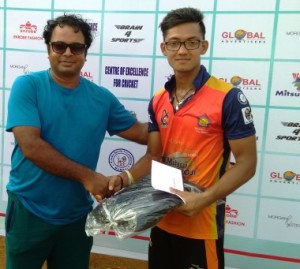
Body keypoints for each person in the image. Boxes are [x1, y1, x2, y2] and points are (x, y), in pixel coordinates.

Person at [108, 7, 257, 269]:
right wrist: (125, 178)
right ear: (164, 48)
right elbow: (154, 156)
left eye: (191, 42)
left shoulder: (228, 97)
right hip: (161, 218)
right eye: (175, 43)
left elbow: (247, 164)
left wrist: (204, 198)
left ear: (204, 46)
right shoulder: (158, 99)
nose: (182, 50)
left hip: (202, 225)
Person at [5, 14, 148, 269]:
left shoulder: (102, 98)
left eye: (77, 47)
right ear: (48, 49)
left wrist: (181, 123)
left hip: (76, 217)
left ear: (85, 52)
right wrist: (88, 177)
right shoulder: (27, 86)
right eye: (59, 46)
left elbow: (140, 132)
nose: (67, 53)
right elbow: (31, 146)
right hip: (29, 210)